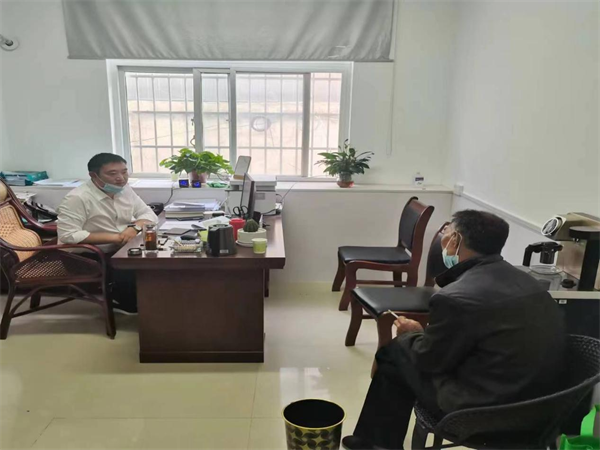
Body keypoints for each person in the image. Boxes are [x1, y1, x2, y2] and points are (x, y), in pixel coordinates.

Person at [342, 210, 566, 450]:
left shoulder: (456, 297)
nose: (443, 239)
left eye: (446, 233)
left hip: (486, 412)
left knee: (396, 353)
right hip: (543, 407)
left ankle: (374, 445)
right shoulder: (529, 282)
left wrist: (411, 333)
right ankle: (372, 442)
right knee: (405, 350)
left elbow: (429, 361)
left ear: (456, 240)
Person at [57, 153, 157, 312]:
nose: (121, 178)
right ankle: (128, 304)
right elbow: (68, 235)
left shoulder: (124, 189)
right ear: (93, 175)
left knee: (155, 259)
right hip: (85, 256)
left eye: (124, 172)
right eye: (112, 173)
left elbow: (149, 215)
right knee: (134, 264)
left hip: (120, 247)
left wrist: (134, 228)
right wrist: (117, 237)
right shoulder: (77, 198)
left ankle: (151, 301)